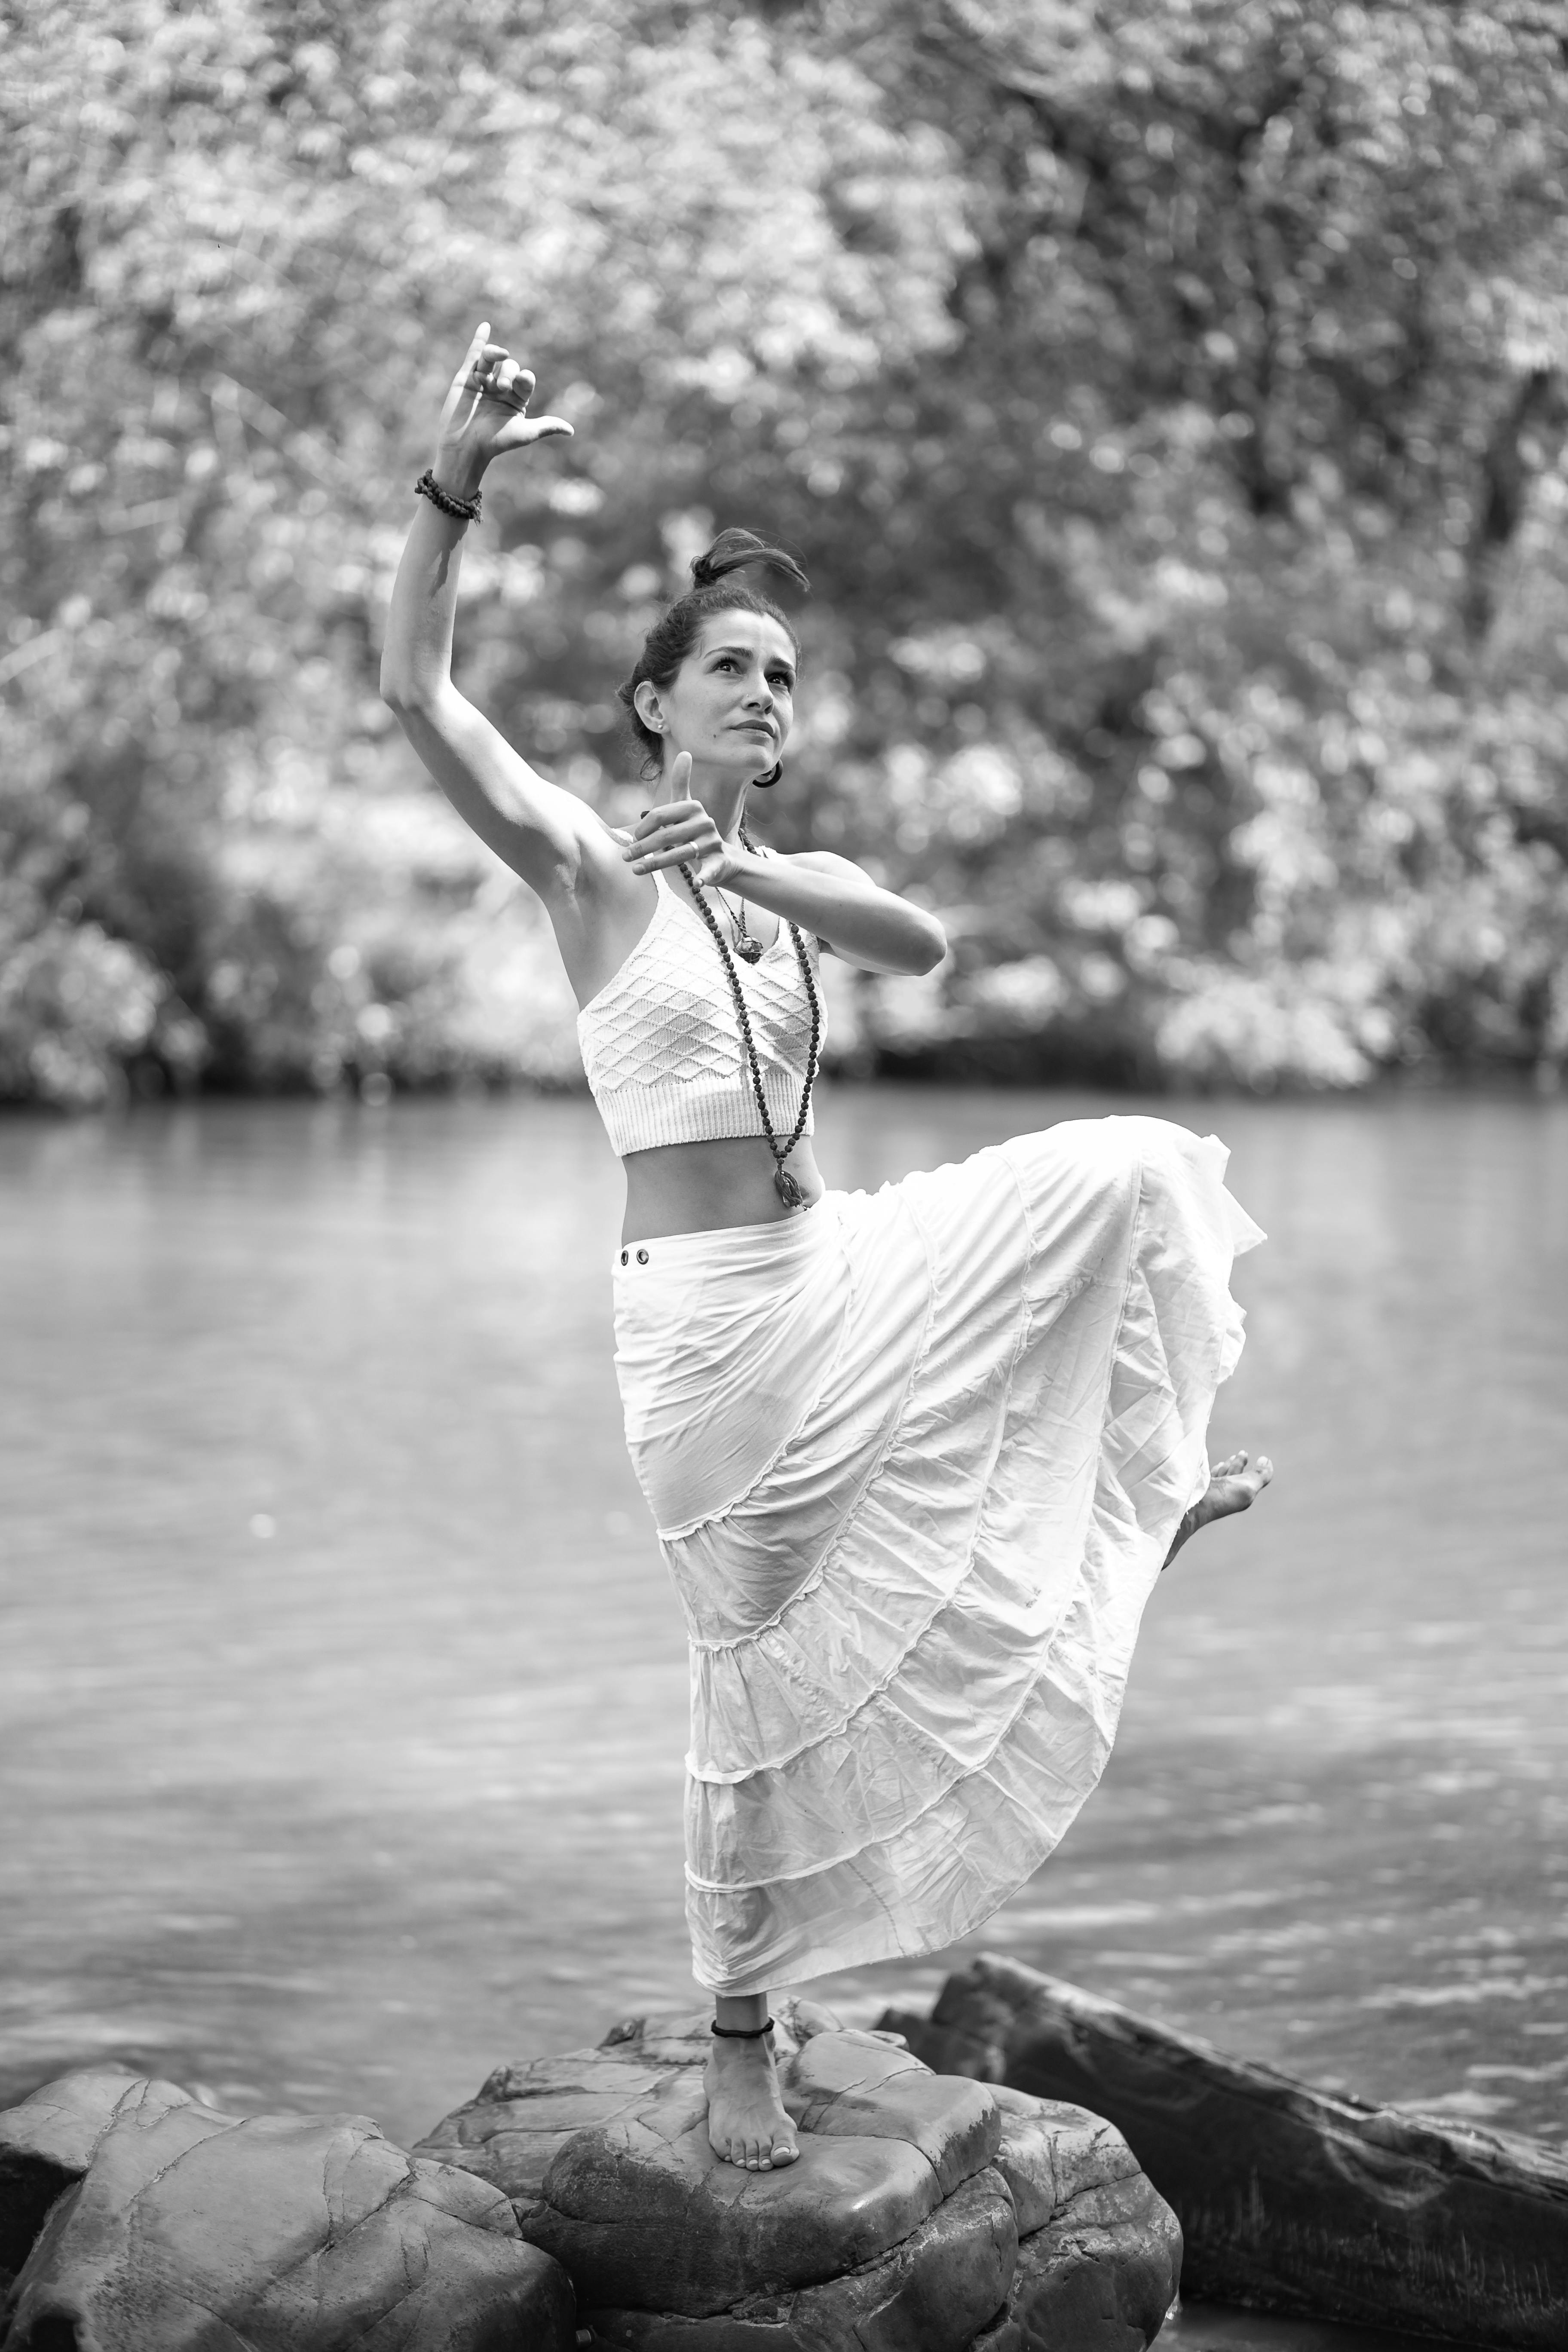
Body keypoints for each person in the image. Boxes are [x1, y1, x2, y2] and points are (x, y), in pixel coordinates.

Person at [381, 324, 1274, 2176]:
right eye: (731, 670)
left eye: (785, 675)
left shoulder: (786, 906)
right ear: (654, 707)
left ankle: (1115, 1504)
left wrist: (760, 869)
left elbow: (922, 944)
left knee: (1127, 1171)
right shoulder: (587, 868)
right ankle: (738, 2033)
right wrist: (452, 483)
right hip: (704, 1335)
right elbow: (414, 691)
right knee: (757, 1667)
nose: (768, 693)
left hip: (835, 1271)